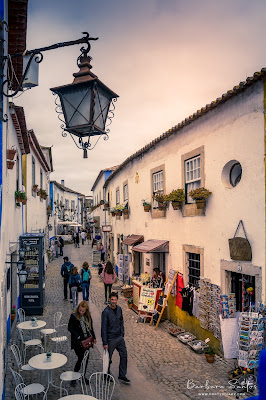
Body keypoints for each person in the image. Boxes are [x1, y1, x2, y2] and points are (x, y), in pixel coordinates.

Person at [101, 292, 130, 384]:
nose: (114, 301)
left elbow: (121, 322)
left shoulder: (119, 309)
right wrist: (105, 342)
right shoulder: (106, 312)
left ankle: (122, 375)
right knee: (108, 358)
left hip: (119, 338)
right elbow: (103, 328)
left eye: (115, 300)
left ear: (117, 300)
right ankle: (106, 375)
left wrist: (122, 333)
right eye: (112, 299)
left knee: (124, 355)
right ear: (109, 300)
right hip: (110, 339)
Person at [68, 300, 96, 386]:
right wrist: (78, 336)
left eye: (83, 311)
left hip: (86, 341)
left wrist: (94, 337)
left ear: (86, 310)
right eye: (80, 310)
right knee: (80, 358)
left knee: (86, 359)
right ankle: (74, 377)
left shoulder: (88, 316)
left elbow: (91, 328)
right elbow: (70, 328)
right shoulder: (73, 316)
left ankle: (83, 375)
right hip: (77, 342)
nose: (81, 312)